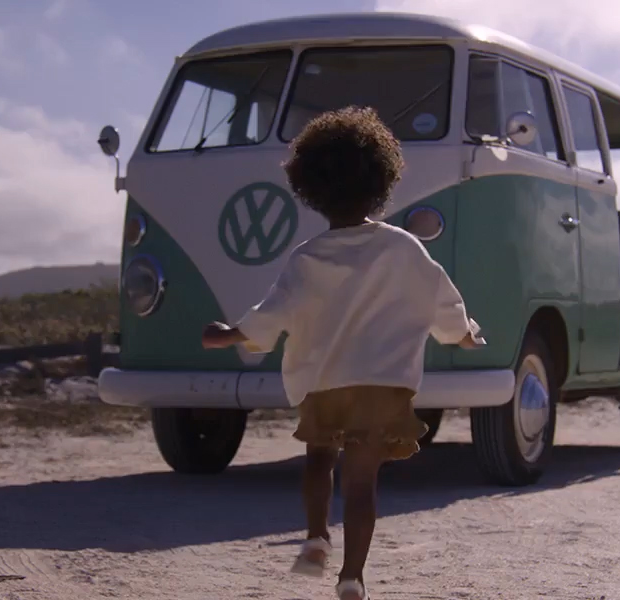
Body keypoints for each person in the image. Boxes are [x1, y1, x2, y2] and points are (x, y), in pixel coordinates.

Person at [201, 106, 486, 600]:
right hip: (382, 387)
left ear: (310, 188)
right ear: (382, 180)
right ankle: (352, 577)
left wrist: (230, 334)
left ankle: (316, 537)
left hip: (324, 385)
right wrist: (461, 333)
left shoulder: (307, 257)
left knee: (318, 459)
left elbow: (273, 313)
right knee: (361, 482)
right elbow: (440, 298)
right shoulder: (403, 248)